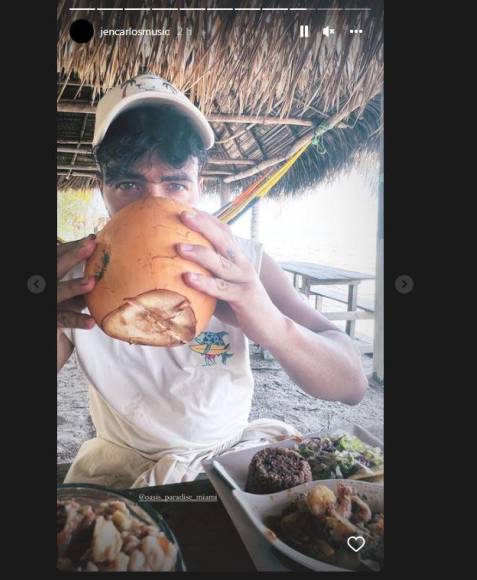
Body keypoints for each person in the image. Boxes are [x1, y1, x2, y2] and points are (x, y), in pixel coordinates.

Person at [57, 74, 367, 488]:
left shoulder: (244, 264)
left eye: (175, 184)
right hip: (125, 470)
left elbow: (351, 385)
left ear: (199, 186)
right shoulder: (74, 278)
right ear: (103, 189)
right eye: (129, 184)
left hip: (228, 464)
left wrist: (274, 327)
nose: (154, 202)